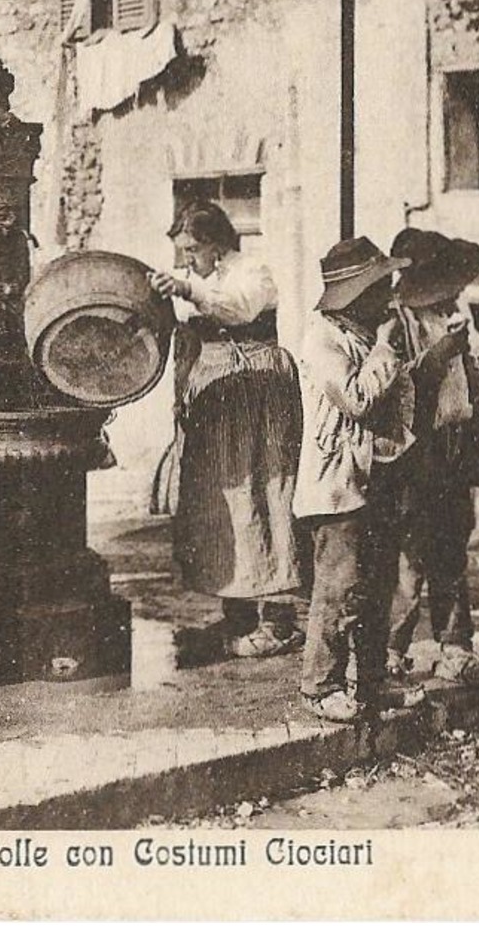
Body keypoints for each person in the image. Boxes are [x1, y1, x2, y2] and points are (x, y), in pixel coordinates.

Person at [147, 200, 306, 659]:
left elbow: (238, 309)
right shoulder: (198, 278)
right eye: (182, 251)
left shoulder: (250, 272)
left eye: (193, 250)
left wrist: (188, 291)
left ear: (217, 245)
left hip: (258, 392)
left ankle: (279, 621)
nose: (187, 260)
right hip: (217, 395)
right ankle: (237, 615)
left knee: (266, 492)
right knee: (224, 501)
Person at [294, 237, 440, 723]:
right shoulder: (323, 338)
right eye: (380, 285)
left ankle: (372, 683)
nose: (390, 294)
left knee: (376, 587)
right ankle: (321, 686)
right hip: (338, 486)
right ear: (357, 292)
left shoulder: (359, 332)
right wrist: (385, 348)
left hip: (376, 477)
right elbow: (357, 399)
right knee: (340, 588)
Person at [385, 229, 479, 685]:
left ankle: (455, 646)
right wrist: (443, 353)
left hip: (452, 450)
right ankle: (391, 646)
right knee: (408, 557)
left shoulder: (449, 315)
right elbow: (400, 384)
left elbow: (473, 384)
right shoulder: (396, 324)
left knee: (451, 551)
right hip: (415, 454)